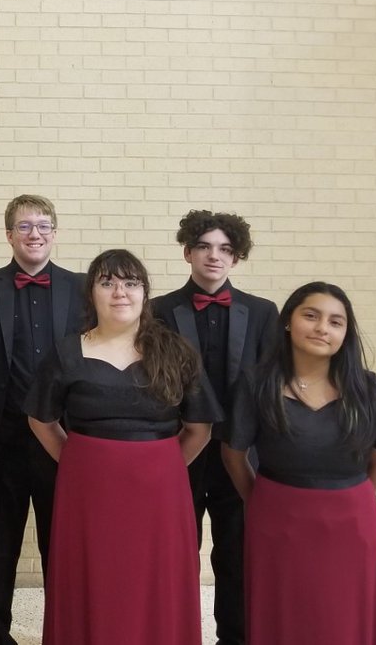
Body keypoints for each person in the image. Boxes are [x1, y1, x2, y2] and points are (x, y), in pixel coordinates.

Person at [26, 249, 220, 645]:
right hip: (87, 492)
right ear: (91, 293)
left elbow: (199, 428)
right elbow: (41, 420)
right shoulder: (66, 352)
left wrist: (160, 465)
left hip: (159, 494)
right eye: (108, 282)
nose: (120, 292)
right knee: (92, 578)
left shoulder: (175, 350)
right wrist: (80, 461)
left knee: (155, 580)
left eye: (131, 283)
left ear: (145, 294)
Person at [222, 282, 376, 645]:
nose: (323, 327)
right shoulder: (257, 384)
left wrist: (354, 499)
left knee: (344, 620)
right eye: (311, 315)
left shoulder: (367, 389)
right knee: (284, 616)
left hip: (352, 526)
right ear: (289, 321)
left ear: (345, 334)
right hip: (276, 522)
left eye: (336, 322)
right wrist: (261, 503)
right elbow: (233, 454)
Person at [150, 209, 278, 645]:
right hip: (179, 451)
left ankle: (235, 639)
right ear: (187, 251)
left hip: (239, 452)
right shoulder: (158, 310)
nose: (214, 256)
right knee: (174, 555)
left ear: (236, 257)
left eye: (225, 249)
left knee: (237, 556)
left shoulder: (262, 312)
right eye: (203, 246)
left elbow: (271, 387)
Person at [0, 194, 83, 645]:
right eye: (25, 226)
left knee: (63, 546)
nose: (35, 234)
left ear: (55, 232)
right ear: (9, 233)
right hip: (1, 437)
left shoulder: (81, 286)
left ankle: (66, 633)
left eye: (43, 226)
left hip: (61, 438)